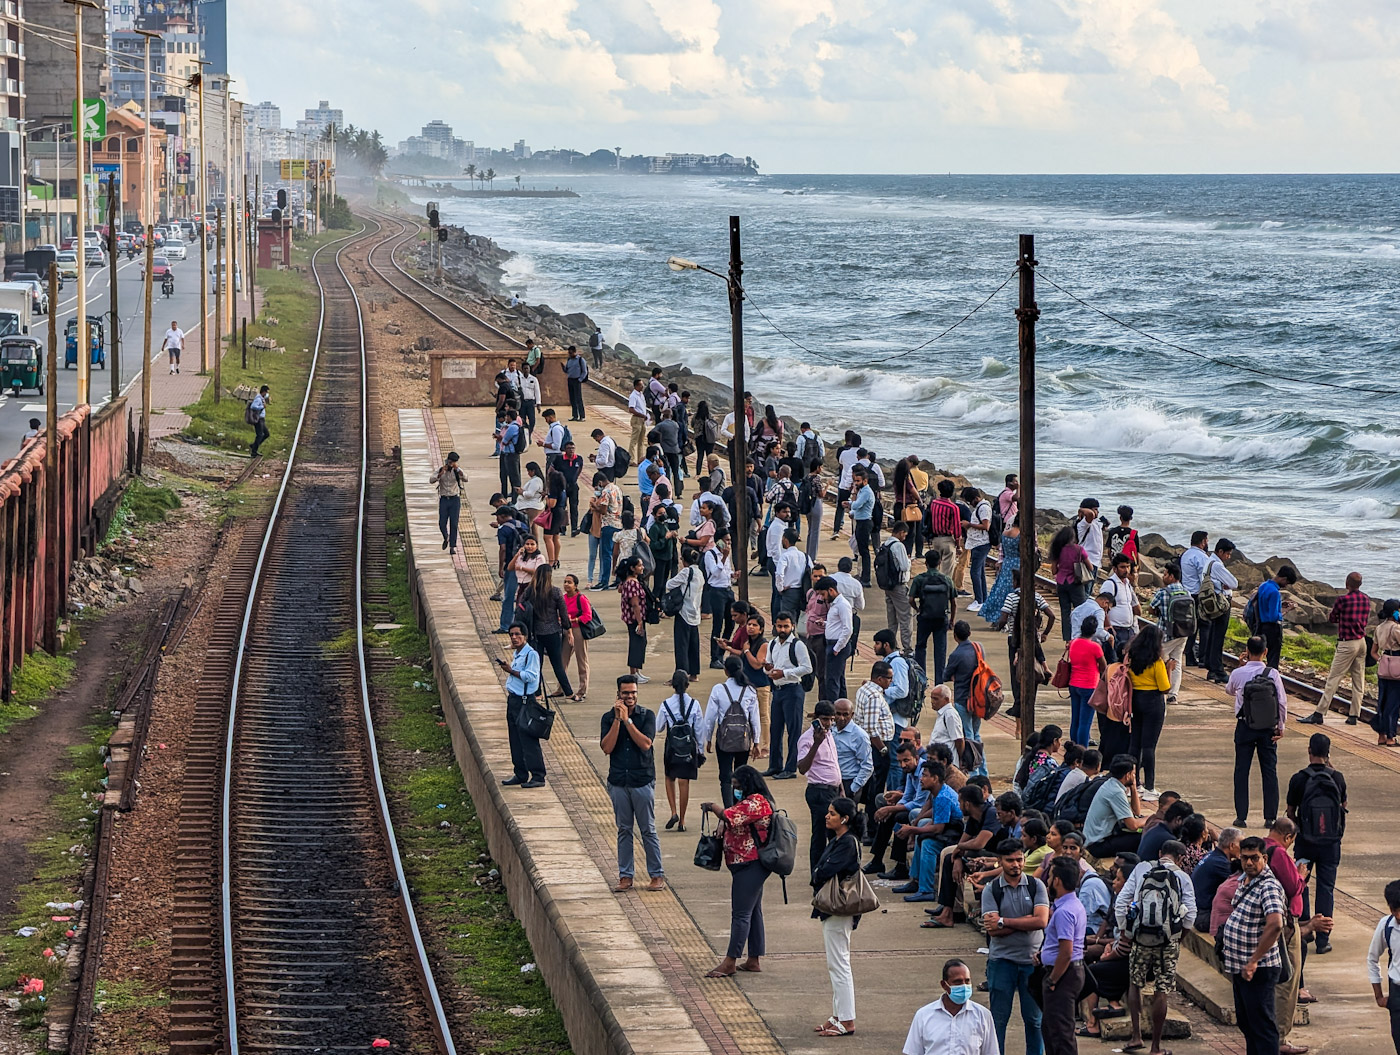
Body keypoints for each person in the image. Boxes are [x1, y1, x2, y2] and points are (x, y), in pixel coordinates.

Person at [1116, 840, 1197, 1055]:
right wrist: (1177, 939)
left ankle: (1136, 1036)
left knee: (1135, 984)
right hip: (1167, 942)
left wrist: (1127, 933)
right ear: (1180, 858)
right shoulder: (1182, 877)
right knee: (1162, 989)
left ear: (1160, 853)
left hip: (1141, 937)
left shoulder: (1142, 868)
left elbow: (1122, 901)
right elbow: (1190, 915)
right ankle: (1156, 1047)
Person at [701, 766, 774, 977]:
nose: (735, 791)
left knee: (741, 914)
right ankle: (753, 959)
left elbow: (729, 815)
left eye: (737, 787)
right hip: (744, 864)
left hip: (751, 865)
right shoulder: (750, 801)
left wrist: (712, 807)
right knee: (753, 911)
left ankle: (730, 961)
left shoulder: (756, 802)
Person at [980, 838, 1048, 1055]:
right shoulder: (991, 890)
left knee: (1035, 1021)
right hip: (1002, 962)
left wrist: (1004, 921)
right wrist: (1025, 922)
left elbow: (1041, 922)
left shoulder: (1036, 885)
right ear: (999, 861)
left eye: (1019, 859)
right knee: (998, 1021)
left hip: (1032, 963)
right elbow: (992, 929)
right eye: (1010, 860)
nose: (1016, 865)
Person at [1222, 836, 1287, 1055]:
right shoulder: (1245, 880)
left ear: (1264, 858)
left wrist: (1254, 960)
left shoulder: (1268, 886)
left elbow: (1276, 924)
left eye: (1254, 858)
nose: (1249, 863)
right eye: (1245, 858)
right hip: (1240, 966)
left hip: (1259, 969)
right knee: (1247, 1024)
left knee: (1262, 1026)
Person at [601, 675, 665, 892]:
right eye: (625, 693)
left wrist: (628, 720)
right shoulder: (608, 718)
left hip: (642, 781)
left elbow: (646, 744)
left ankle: (656, 874)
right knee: (624, 830)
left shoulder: (647, 716)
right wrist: (618, 720)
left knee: (648, 829)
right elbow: (607, 748)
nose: (630, 696)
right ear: (618, 694)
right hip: (619, 780)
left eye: (633, 693)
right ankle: (625, 875)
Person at [1286, 732, 1347, 955]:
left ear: (1309, 751)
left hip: (1305, 842)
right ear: (1328, 752)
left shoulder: (1299, 778)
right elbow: (1343, 805)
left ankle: (1306, 927)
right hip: (1331, 844)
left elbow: (1290, 812)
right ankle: (1323, 939)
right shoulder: (1337, 777)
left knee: (1300, 883)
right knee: (1326, 889)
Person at [812, 796, 866, 1038]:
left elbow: (825, 870)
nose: (827, 816)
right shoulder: (839, 839)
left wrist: (818, 873)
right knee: (835, 964)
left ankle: (847, 1020)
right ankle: (838, 1014)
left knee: (840, 964)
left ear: (844, 819)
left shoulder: (847, 843)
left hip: (839, 908)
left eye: (832, 813)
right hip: (832, 909)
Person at [1226, 635, 1286, 827]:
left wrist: (1239, 665)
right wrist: (1281, 726)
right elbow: (1282, 702)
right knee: (1269, 771)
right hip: (1268, 727)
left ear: (1247, 650)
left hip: (1245, 726)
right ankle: (1270, 818)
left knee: (1241, 771)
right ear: (1265, 652)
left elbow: (1229, 690)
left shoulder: (1238, 673)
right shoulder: (1273, 673)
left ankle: (1241, 817)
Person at [1301, 572, 1372, 725]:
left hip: (1347, 643)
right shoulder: (1366, 599)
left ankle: (1319, 713)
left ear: (1347, 583)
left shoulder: (1343, 600)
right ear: (1360, 584)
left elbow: (1332, 618)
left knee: (1334, 678)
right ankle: (1354, 715)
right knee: (1359, 680)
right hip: (1361, 642)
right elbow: (1365, 619)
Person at [902, 958, 999, 1055]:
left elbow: (991, 1051)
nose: (964, 986)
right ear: (944, 985)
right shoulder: (923, 1016)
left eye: (967, 981)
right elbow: (913, 1051)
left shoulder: (983, 1015)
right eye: (958, 982)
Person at [1041, 856, 1087, 1055]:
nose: (1049, 881)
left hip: (1063, 975)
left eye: (1051, 876)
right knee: (1052, 1029)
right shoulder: (1071, 905)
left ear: (1057, 880)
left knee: (1061, 1033)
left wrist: (1052, 980)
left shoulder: (1065, 912)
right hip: (1067, 972)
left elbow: (1066, 952)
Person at [699, 656, 762, 800]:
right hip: (743, 740)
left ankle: (729, 810)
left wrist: (708, 739)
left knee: (725, 777)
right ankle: (739, 807)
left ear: (725, 671)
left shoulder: (718, 689)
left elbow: (710, 718)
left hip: (724, 740)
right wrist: (756, 742)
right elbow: (754, 719)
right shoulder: (750, 690)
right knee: (741, 776)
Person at [997, 568, 1053, 717]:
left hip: (1014, 639)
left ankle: (1018, 704)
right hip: (1033, 638)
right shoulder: (1036, 596)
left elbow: (1003, 619)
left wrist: (1000, 627)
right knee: (1033, 666)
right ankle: (1030, 702)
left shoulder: (1011, 597)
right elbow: (1051, 615)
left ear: (1016, 581)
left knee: (1016, 671)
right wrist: (1045, 633)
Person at [797, 700, 845, 873]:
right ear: (816, 718)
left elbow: (833, 763)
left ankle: (829, 870)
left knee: (836, 833)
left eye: (832, 719)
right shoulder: (808, 739)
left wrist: (841, 789)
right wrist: (816, 743)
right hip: (819, 791)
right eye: (825, 719)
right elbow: (802, 768)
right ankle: (816, 874)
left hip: (833, 790)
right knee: (820, 835)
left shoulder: (829, 734)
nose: (829, 723)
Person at [1125, 625, 1172, 795]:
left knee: (1135, 743)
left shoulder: (1132, 657)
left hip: (1135, 699)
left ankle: (1133, 783)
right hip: (1153, 701)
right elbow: (1165, 687)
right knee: (1149, 746)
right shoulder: (1156, 661)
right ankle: (1150, 787)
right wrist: (1169, 670)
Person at [764, 611, 812, 778]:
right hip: (777, 691)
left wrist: (784, 673)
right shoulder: (772, 644)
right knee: (775, 729)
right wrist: (769, 669)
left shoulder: (797, 645)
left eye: (786, 626)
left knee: (793, 730)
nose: (782, 629)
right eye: (779, 626)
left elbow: (807, 668)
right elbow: (768, 664)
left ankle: (790, 768)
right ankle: (775, 766)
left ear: (792, 626)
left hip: (792, 690)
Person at [499, 623, 546, 788]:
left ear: (525, 636)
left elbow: (531, 676)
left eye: (517, 634)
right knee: (515, 738)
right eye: (511, 634)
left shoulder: (531, 654)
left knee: (528, 739)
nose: (514, 637)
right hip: (513, 700)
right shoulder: (517, 653)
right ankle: (520, 773)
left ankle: (538, 776)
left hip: (525, 701)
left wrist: (510, 671)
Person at [657, 669, 704, 832]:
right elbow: (699, 730)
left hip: (671, 748)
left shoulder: (665, 704)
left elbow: (658, 727)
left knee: (670, 778)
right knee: (684, 782)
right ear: (687, 684)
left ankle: (673, 811)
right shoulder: (695, 704)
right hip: (688, 748)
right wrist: (701, 751)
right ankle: (682, 821)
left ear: (672, 685)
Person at [518, 565, 574, 698]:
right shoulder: (555, 591)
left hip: (535, 633)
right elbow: (564, 613)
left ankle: (537, 693)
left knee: (537, 665)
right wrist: (568, 629)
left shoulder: (530, 591)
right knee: (557, 665)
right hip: (553, 632)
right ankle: (569, 693)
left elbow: (521, 606)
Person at [942, 621, 987, 773]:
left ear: (955, 636)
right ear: (969, 633)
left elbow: (946, 675)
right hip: (979, 698)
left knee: (967, 736)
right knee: (976, 735)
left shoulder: (956, 654)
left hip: (963, 699)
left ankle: (973, 773)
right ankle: (983, 771)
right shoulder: (978, 647)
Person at [1084, 755, 1145, 858]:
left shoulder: (1112, 784)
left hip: (1099, 838)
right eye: (1133, 774)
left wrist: (1133, 788)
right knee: (1143, 838)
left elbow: (1136, 812)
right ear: (1127, 775)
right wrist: (1151, 819)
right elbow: (1132, 825)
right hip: (1098, 845)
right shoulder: (1116, 792)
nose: (1135, 777)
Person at [1149, 561, 1192, 703]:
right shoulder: (1187, 591)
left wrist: (1159, 613)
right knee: (1177, 661)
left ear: (1172, 577)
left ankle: (1161, 689)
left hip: (1166, 634)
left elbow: (1150, 609)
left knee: (1159, 660)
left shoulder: (1162, 593)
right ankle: (1173, 694)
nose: (1163, 576)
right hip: (1183, 633)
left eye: (1165, 574)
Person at [910, 552, 956, 682]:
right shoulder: (947, 580)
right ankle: (939, 681)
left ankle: (921, 679)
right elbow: (953, 602)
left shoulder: (919, 579)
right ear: (940, 562)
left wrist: (918, 609)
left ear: (926, 563)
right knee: (940, 651)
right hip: (941, 619)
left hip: (924, 617)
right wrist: (952, 620)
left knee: (920, 647)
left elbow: (911, 599)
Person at [1366, 878, 1400, 1053]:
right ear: (1391, 909)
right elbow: (1372, 958)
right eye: (1396, 911)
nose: (1399, 916)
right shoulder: (1386, 925)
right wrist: (1378, 995)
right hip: (1397, 994)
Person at [1201, 539, 1240, 684]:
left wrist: (1220, 583)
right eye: (1228, 554)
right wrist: (1222, 584)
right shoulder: (1217, 565)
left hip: (1211, 603)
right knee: (1219, 636)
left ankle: (1211, 667)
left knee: (1212, 633)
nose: (1228, 557)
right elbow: (1234, 583)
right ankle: (1218, 669)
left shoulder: (1208, 562)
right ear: (1221, 552)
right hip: (1221, 603)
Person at [1193, 827, 1243, 931]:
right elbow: (1241, 885)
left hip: (1198, 912)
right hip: (1204, 917)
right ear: (1232, 845)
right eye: (1241, 844)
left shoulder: (1212, 855)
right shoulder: (1221, 863)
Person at [665, 547, 704, 679]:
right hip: (695, 613)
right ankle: (694, 673)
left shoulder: (686, 572)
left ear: (684, 560)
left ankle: (681, 673)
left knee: (681, 645)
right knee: (694, 645)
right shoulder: (699, 573)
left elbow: (669, 584)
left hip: (683, 612)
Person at [1048, 524, 1090, 641]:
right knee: (1080, 610)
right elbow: (1090, 567)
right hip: (1075, 583)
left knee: (1065, 612)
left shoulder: (1058, 549)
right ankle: (1080, 636)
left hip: (1061, 583)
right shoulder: (1079, 549)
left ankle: (1067, 639)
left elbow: (1054, 570)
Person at [817, 576, 854, 703]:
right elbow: (837, 624)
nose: (822, 598)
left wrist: (837, 648)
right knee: (839, 678)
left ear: (831, 590)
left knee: (832, 680)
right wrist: (826, 624)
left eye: (823, 594)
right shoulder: (835, 605)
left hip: (837, 645)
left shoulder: (843, 605)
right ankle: (842, 705)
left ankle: (833, 709)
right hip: (833, 643)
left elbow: (848, 629)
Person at [878, 520, 914, 651]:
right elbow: (904, 566)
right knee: (905, 617)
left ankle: (891, 644)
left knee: (892, 618)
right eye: (904, 534)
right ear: (900, 532)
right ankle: (907, 647)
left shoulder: (886, 544)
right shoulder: (898, 546)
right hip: (899, 586)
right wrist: (909, 560)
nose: (905, 537)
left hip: (888, 586)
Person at [1253, 566, 1299, 670]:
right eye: (1286, 583)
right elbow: (1273, 617)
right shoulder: (1275, 592)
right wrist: (1287, 610)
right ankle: (1270, 680)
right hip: (1272, 629)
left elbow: (1264, 604)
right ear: (1284, 579)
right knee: (1273, 659)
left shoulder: (1264, 586)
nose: (1285, 586)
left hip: (1260, 626)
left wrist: (1280, 605)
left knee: (1258, 655)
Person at [830, 698, 873, 801]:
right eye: (838, 714)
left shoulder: (860, 736)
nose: (841, 718)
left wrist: (854, 788)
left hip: (848, 781)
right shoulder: (830, 730)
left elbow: (867, 765)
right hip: (832, 781)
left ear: (852, 715)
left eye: (845, 714)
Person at [559, 574, 593, 701]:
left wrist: (574, 619)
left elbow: (588, 616)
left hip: (578, 629)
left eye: (569, 582)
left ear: (576, 585)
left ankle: (582, 690)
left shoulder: (581, 598)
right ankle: (561, 688)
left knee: (581, 660)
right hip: (566, 630)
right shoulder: (563, 598)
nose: (566, 584)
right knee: (562, 660)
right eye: (565, 582)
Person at [1099, 554, 1141, 657]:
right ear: (1114, 568)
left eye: (1128, 566)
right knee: (1114, 661)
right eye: (1122, 567)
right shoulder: (1110, 584)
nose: (1126, 570)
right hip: (1116, 630)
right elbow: (1102, 607)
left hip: (1128, 630)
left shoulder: (1127, 584)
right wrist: (1109, 628)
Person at [617, 556, 650, 682]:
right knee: (636, 644)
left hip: (636, 618)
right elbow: (635, 604)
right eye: (639, 565)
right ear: (632, 568)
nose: (642, 567)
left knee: (641, 643)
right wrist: (640, 621)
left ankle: (637, 671)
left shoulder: (632, 580)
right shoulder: (631, 583)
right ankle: (633, 673)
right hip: (634, 619)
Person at [587, 472, 622, 590]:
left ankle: (604, 581)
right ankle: (618, 579)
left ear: (600, 482)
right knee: (616, 553)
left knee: (606, 554)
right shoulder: (616, 488)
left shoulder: (606, 492)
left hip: (608, 524)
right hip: (618, 523)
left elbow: (603, 510)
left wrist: (594, 505)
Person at [1374, 598, 1400, 746]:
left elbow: (1374, 651)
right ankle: (1391, 737)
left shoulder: (1379, 628)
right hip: (1397, 666)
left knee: (1382, 701)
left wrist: (1381, 660)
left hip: (1384, 665)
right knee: (1394, 702)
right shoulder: (1396, 629)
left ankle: (1381, 735)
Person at [962, 487, 993, 612]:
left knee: (974, 572)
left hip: (981, 544)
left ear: (976, 498)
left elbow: (986, 526)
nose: (970, 504)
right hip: (977, 543)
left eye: (970, 501)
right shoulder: (981, 507)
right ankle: (983, 598)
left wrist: (969, 525)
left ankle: (979, 600)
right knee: (980, 572)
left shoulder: (983, 508)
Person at [430, 451, 465, 553]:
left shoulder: (457, 471)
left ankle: (452, 546)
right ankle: (446, 537)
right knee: (442, 523)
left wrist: (457, 469)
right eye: (450, 462)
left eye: (453, 463)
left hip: (455, 499)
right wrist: (440, 474)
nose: (451, 464)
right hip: (444, 499)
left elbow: (466, 478)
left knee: (454, 523)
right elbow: (431, 480)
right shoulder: (441, 470)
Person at [847, 466, 875, 586]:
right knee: (861, 550)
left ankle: (866, 578)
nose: (856, 483)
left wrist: (849, 503)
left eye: (858, 481)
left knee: (864, 552)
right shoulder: (862, 491)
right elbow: (858, 508)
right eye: (855, 481)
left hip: (865, 523)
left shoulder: (866, 492)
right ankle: (863, 575)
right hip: (861, 521)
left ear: (865, 481)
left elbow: (857, 505)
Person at [1106, 505, 1140, 585]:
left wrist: (1112, 561)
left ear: (1120, 518)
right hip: (1129, 566)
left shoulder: (1112, 531)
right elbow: (1136, 553)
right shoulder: (1133, 534)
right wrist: (1137, 566)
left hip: (1116, 564)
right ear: (1131, 518)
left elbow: (1109, 550)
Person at [1074, 499, 1106, 583]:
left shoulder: (1096, 523)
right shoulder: (1082, 524)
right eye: (1095, 509)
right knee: (1085, 588)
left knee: (1089, 589)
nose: (1097, 512)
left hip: (1095, 561)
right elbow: (1090, 514)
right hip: (1086, 560)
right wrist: (1081, 510)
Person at [626, 378, 650, 463]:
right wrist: (641, 415)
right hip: (637, 419)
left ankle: (640, 459)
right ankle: (631, 459)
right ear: (636, 386)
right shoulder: (633, 396)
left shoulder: (641, 394)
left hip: (643, 419)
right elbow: (631, 409)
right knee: (634, 440)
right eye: (640, 385)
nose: (642, 386)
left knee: (641, 440)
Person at [562, 345, 589, 421]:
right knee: (572, 399)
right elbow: (567, 370)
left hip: (577, 380)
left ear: (574, 352)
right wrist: (563, 368)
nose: (570, 354)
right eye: (569, 353)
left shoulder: (580, 360)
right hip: (570, 379)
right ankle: (575, 415)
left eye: (571, 353)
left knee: (578, 399)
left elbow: (584, 371)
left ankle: (582, 416)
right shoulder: (569, 360)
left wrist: (580, 379)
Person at [519, 364, 541, 439]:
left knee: (532, 420)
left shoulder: (534, 379)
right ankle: (525, 436)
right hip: (522, 402)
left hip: (531, 402)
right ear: (522, 369)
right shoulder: (518, 379)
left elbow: (537, 391)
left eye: (527, 368)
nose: (526, 370)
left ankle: (529, 433)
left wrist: (538, 404)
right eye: (524, 368)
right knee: (522, 420)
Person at [249, 385, 270, 456]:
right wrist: (262, 407)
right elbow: (253, 406)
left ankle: (254, 445)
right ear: (263, 392)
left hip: (262, 419)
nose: (267, 394)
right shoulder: (258, 399)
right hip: (258, 419)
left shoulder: (261, 398)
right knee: (260, 435)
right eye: (266, 392)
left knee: (266, 434)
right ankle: (254, 452)